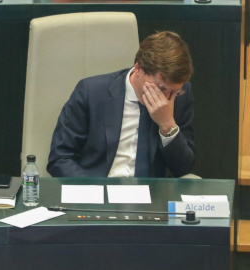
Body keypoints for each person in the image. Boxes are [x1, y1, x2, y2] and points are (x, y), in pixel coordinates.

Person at [47, 31, 194, 178]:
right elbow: (60, 158)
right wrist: (92, 191)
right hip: (98, 191)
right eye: (161, 88)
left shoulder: (180, 96)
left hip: (150, 196)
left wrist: (167, 125)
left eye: (175, 91)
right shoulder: (91, 92)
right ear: (138, 69)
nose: (166, 98)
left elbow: (183, 169)